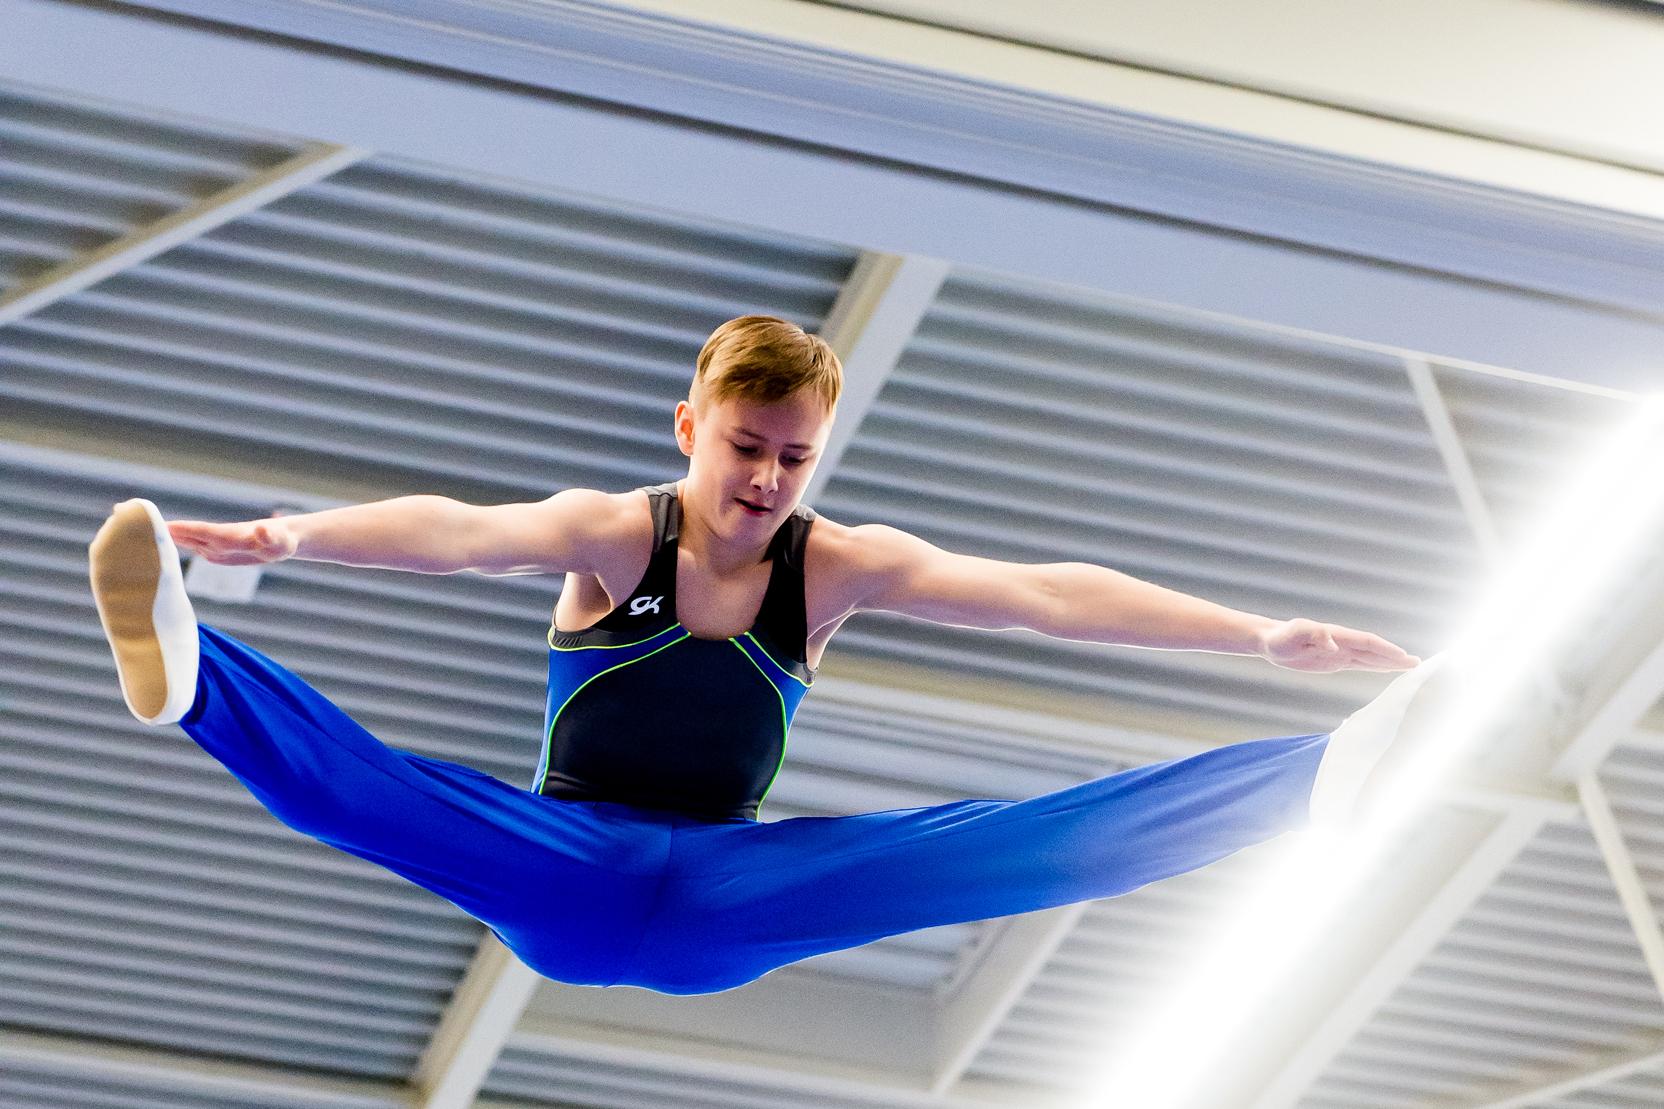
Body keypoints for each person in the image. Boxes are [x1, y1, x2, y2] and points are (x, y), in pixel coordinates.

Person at [88, 314, 1438, 995]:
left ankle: (1308, 782)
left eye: (798, 457)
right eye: (746, 447)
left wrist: (1258, 630)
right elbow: (460, 532)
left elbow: (1043, 593)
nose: (769, 480)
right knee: (394, 794)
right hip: (571, 868)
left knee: (983, 845)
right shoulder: (616, 534)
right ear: (692, 425)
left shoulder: (835, 565)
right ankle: (196, 669)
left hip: (732, 891)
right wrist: (285, 537)